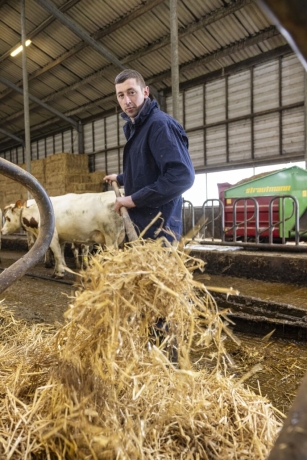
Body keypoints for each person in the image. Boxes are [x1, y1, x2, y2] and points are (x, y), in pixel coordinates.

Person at [104, 69, 195, 243]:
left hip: (159, 229)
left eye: (131, 92)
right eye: (121, 95)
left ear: (145, 92)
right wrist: (121, 178)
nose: (127, 101)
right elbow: (147, 168)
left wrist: (133, 199)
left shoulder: (159, 125)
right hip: (142, 224)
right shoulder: (137, 127)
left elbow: (182, 176)